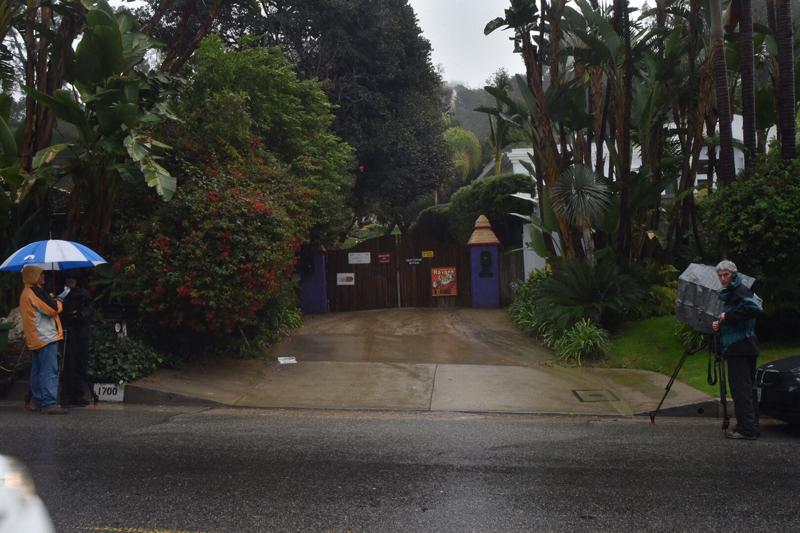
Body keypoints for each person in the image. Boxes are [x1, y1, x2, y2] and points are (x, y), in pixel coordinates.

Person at [712, 260, 762, 440]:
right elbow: (740, 318)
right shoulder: (734, 292)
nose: (723, 278)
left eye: (726, 275)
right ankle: (750, 425)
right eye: (720, 275)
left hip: (740, 346)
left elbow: (754, 309)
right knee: (747, 389)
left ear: (733, 274)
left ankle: (747, 429)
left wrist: (728, 315)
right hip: (744, 345)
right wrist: (721, 323)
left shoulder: (739, 290)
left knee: (741, 389)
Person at [20, 264, 67, 414]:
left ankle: (37, 401)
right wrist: (58, 300)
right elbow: (53, 309)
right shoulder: (35, 292)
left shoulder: (25, 292)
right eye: (41, 274)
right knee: (49, 370)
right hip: (45, 337)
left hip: (35, 337)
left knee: (37, 370)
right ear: (34, 276)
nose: (43, 276)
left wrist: (49, 298)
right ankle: (49, 403)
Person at [59, 272, 92, 407]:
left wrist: (80, 315)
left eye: (73, 279)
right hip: (68, 333)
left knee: (80, 364)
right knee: (68, 365)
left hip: (81, 333)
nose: (70, 281)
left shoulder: (83, 294)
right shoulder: (62, 294)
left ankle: (78, 395)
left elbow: (89, 310)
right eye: (68, 279)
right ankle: (66, 395)